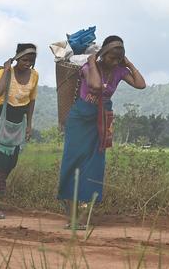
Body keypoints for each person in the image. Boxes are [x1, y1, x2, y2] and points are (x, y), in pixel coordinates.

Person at [56, 35, 145, 221]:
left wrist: (128, 64)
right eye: (111, 58)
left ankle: (83, 215)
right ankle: (71, 210)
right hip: (81, 118)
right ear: (103, 54)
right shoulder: (88, 67)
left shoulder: (120, 71)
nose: (114, 62)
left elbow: (140, 84)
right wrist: (91, 60)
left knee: (95, 163)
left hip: (103, 118)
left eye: (118, 59)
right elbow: (95, 85)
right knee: (73, 161)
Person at [0, 43, 38, 219]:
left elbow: (31, 100)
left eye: (31, 60)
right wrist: (6, 70)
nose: (27, 63)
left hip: (18, 119)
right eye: (24, 59)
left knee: (10, 162)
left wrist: (29, 124)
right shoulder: (3, 73)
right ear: (16, 58)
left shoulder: (34, 76)